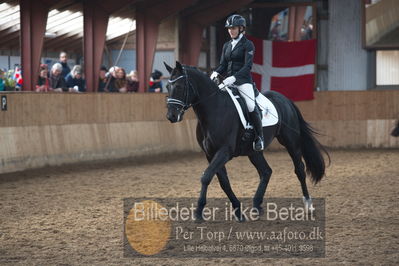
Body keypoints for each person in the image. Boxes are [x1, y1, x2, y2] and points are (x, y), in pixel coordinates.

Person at [210, 14, 264, 151]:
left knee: (251, 105)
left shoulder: (248, 45)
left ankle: (259, 137)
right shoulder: (226, 45)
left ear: (241, 28)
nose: (230, 31)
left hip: (243, 81)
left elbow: (247, 67)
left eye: (233, 28)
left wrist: (234, 78)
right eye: (229, 28)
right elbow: (223, 64)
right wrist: (215, 72)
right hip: (228, 81)